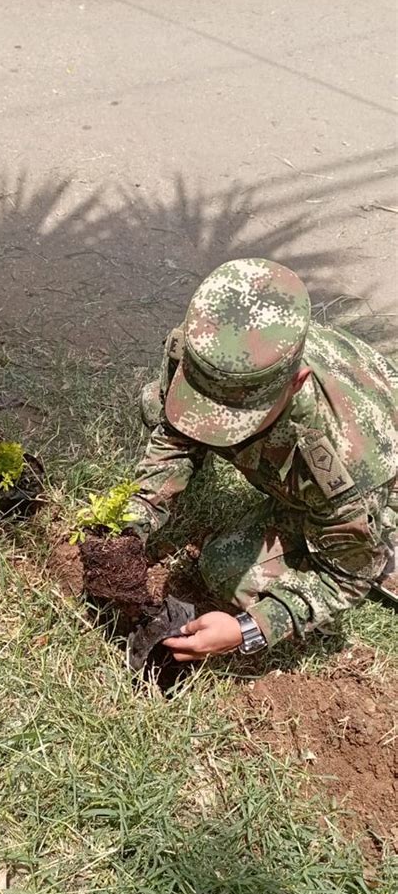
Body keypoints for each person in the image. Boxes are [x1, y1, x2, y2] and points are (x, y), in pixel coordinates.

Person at [127, 259, 397, 662]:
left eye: (233, 417)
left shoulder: (340, 462)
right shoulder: (200, 349)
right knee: (156, 403)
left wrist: (247, 629)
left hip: (379, 469)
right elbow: (174, 436)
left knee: (228, 567)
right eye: (203, 402)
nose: (211, 427)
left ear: (296, 383)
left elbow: (345, 578)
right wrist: (136, 516)